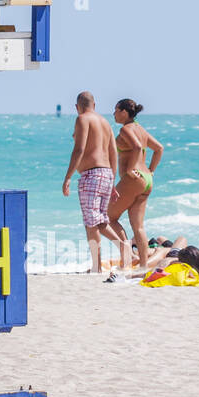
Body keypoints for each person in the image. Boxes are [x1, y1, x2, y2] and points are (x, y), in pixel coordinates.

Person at [62, 91, 129, 274]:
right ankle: (120, 250)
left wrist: (68, 177)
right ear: (95, 105)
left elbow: (79, 149)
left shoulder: (83, 119)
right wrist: (112, 179)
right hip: (106, 174)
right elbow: (113, 152)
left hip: (91, 176)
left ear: (77, 107)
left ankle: (98, 265)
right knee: (99, 220)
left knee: (91, 223)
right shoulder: (105, 122)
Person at [107, 99, 163, 271]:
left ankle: (126, 260)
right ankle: (144, 266)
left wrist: (131, 169)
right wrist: (151, 171)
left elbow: (138, 148)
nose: (114, 114)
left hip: (133, 180)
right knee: (138, 227)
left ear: (124, 112)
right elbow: (159, 148)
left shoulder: (125, 129)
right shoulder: (140, 129)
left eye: (116, 110)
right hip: (146, 180)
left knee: (108, 218)